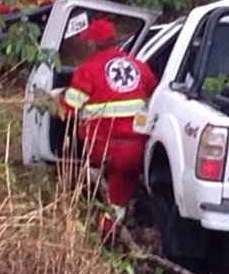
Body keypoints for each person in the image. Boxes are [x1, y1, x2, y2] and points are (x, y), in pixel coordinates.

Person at [61, 18, 158, 241]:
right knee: (120, 191)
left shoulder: (88, 70)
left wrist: (57, 100)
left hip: (102, 145)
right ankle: (114, 226)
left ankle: (104, 234)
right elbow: (154, 96)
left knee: (106, 190)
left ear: (93, 44)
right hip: (136, 146)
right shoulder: (139, 66)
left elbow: (70, 108)